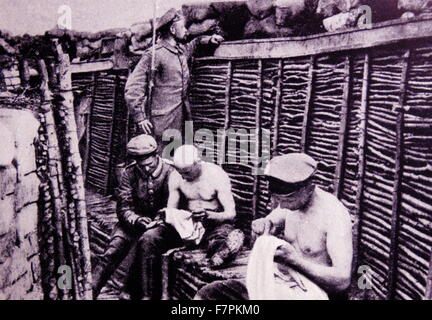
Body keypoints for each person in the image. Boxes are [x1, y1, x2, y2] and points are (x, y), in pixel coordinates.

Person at [195, 153, 353, 300]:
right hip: (279, 282)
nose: (282, 207)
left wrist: (294, 261)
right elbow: (271, 219)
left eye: (287, 201)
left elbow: (342, 280)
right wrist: (264, 222)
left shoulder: (334, 215)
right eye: (278, 200)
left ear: (309, 189)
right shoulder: (293, 204)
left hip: (311, 292)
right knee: (208, 294)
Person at [92, 134, 183, 300]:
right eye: (142, 166)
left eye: (149, 164)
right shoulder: (129, 174)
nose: (146, 169)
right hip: (132, 224)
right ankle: (89, 292)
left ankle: (145, 296)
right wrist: (136, 219)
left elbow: (175, 207)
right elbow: (124, 207)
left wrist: (158, 220)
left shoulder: (171, 173)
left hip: (163, 225)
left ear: (156, 155)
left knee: (147, 241)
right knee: (113, 249)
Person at [124, 8, 224, 155]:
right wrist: (140, 117)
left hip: (181, 117)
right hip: (161, 121)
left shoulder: (180, 51)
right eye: (182, 27)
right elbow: (133, 88)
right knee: (161, 159)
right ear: (172, 29)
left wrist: (208, 40)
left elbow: (194, 44)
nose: (186, 31)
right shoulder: (154, 55)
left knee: (180, 158)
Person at [167, 145, 245, 268]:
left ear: (198, 162)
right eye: (180, 172)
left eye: (187, 172)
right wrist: (169, 216)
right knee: (154, 237)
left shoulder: (216, 175)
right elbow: (171, 209)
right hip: (190, 223)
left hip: (215, 222)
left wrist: (209, 215)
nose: (184, 177)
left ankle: (223, 252)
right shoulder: (176, 176)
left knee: (219, 239)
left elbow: (231, 214)